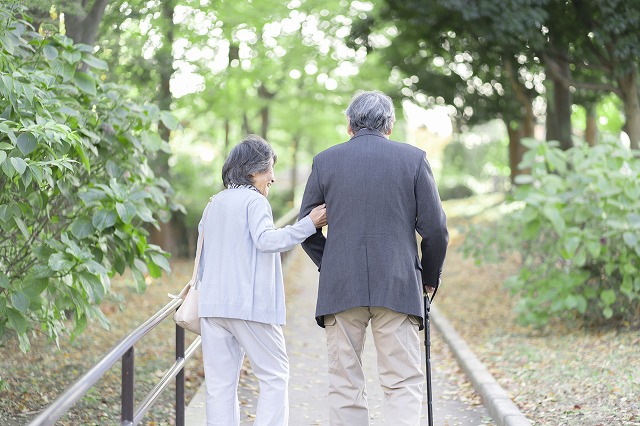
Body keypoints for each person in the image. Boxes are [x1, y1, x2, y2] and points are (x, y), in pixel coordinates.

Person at [298, 90, 449, 425]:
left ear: (349, 125)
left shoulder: (325, 161)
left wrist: (331, 260)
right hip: (397, 285)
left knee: (344, 384)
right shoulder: (413, 159)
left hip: (341, 287)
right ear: (390, 126)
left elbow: (305, 227)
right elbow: (436, 230)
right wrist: (428, 277)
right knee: (402, 382)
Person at [196, 134, 327, 426]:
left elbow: (201, 255)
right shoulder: (253, 201)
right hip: (248, 305)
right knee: (275, 375)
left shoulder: (214, 203)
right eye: (269, 169)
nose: (274, 177)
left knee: (219, 387)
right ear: (253, 170)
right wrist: (309, 224)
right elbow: (267, 241)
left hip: (212, 306)